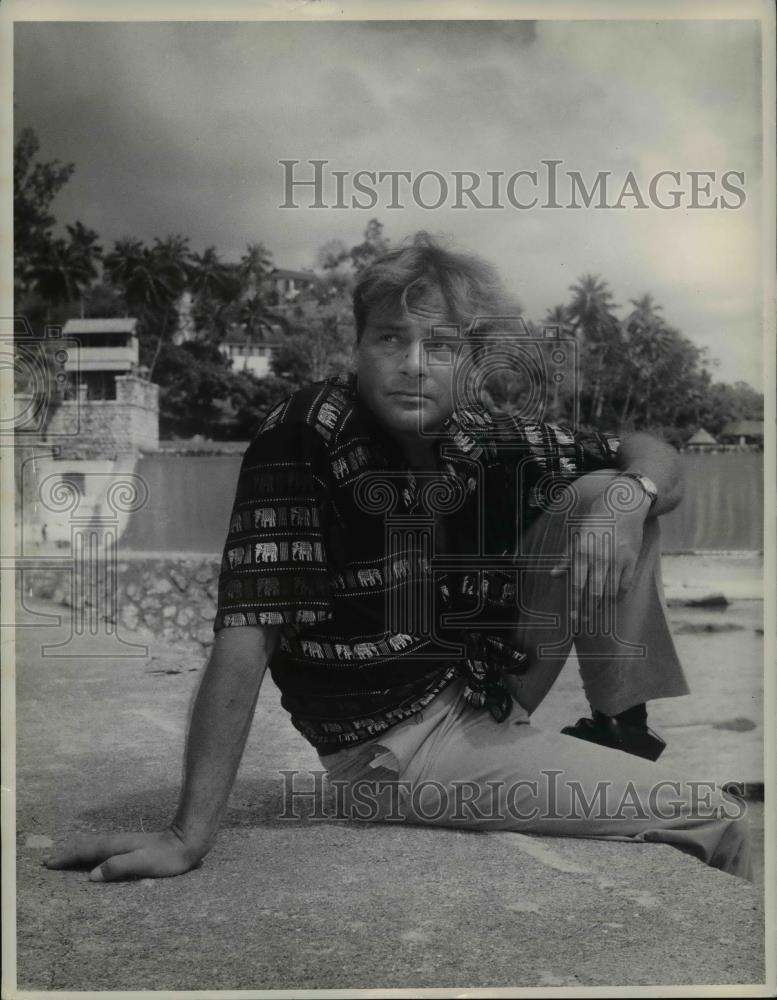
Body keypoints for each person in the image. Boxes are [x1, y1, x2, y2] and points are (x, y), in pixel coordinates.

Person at [45, 233, 751, 882]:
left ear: (470, 363)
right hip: (395, 754)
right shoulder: (304, 436)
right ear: (356, 348)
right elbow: (247, 630)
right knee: (717, 815)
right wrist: (185, 835)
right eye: (391, 339)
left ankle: (617, 726)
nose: (414, 366)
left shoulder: (481, 436)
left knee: (608, 490)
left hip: (484, 687)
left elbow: (650, 450)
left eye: (440, 346)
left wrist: (631, 498)